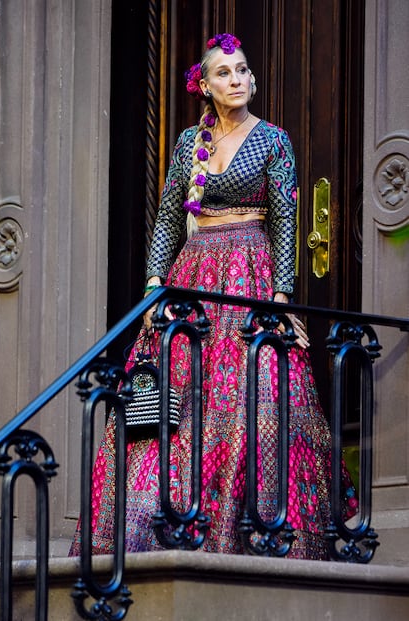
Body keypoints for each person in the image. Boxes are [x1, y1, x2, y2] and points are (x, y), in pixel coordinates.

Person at [70, 33, 357, 560]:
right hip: (194, 274)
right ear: (204, 85)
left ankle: (260, 532)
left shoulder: (273, 140)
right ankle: (162, 528)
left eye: (243, 70)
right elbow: (167, 219)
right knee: (177, 401)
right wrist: (156, 283)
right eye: (224, 73)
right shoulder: (187, 144)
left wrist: (282, 295)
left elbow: (287, 220)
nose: (238, 79)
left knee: (257, 391)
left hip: (249, 270)